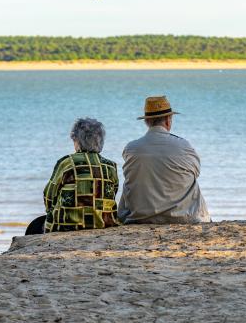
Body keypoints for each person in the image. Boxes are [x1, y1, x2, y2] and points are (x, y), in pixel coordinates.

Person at [118, 96, 210, 224]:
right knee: (190, 180)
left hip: (139, 218)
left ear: (147, 122)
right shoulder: (184, 146)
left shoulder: (131, 148)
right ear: (168, 120)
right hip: (183, 218)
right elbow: (196, 172)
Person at [43, 118, 119, 232]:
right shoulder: (111, 166)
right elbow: (113, 193)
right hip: (104, 224)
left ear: (77, 140)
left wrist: (52, 212)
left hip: (66, 226)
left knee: (36, 226)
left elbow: (48, 196)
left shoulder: (67, 163)